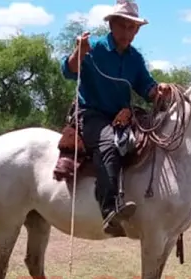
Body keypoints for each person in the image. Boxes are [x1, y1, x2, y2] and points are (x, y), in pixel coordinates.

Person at [60, 1, 173, 235]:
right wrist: (78, 53)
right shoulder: (95, 49)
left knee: (151, 142)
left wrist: (159, 90)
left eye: (132, 29)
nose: (127, 33)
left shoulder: (135, 58)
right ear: (111, 25)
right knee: (109, 144)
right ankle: (109, 210)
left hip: (121, 117)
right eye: (123, 26)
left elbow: (146, 87)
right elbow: (68, 71)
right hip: (90, 114)